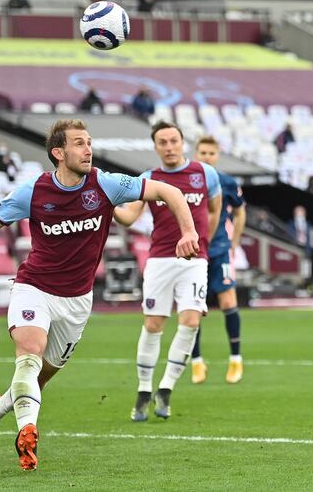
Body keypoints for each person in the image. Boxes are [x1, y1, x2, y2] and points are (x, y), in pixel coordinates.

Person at [0, 118, 199, 471]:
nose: (88, 148)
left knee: (39, 378)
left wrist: (188, 231)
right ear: (58, 153)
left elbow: (169, 192)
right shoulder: (32, 192)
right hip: (35, 288)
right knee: (28, 356)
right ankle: (27, 433)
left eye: (89, 142)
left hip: (77, 301)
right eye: (79, 143)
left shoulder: (105, 184)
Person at [113, 121, 221, 422]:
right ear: (156, 147)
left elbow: (214, 212)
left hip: (195, 260)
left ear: (183, 142)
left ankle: (166, 388)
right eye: (163, 142)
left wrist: (204, 246)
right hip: (160, 259)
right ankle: (144, 390)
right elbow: (129, 217)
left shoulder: (205, 174)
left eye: (174, 140)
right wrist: (108, 205)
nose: (169, 146)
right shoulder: (149, 179)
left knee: (190, 320)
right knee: (153, 324)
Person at [190, 135, 247, 384]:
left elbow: (241, 211)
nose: (206, 157)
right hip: (193, 249)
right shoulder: (187, 180)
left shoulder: (227, 181)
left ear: (217, 154)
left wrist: (234, 243)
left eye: (211, 153)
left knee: (228, 300)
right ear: (196, 153)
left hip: (220, 248)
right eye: (202, 152)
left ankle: (235, 359)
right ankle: (196, 362)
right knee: (191, 306)